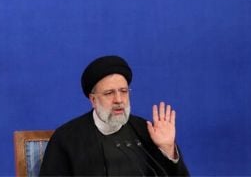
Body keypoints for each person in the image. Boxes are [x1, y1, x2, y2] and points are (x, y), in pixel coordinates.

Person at [39, 55, 189, 176]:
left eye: (123, 91)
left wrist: (168, 150)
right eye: (109, 93)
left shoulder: (146, 130)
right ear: (93, 100)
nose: (118, 100)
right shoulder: (67, 138)